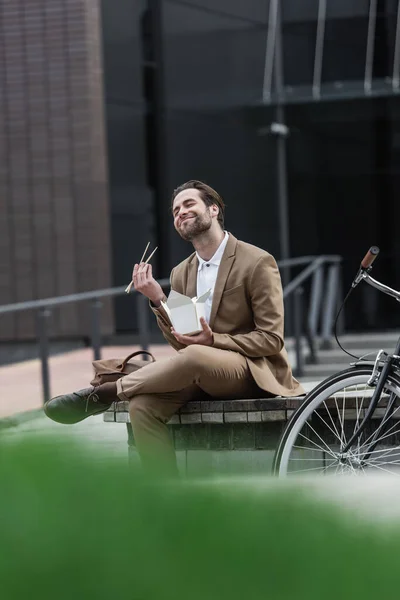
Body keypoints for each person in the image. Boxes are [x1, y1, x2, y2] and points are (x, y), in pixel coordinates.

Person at [44, 180, 305, 474]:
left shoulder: (256, 261)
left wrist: (214, 340)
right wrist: (158, 299)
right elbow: (184, 342)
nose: (181, 212)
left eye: (189, 204)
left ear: (214, 209)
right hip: (201, 370)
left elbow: (271, 339)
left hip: (251, 372)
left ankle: (106, 393)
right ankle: (166, 498)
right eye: (175, 210)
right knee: (142, 406)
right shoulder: (181, 273)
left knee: (195, 357)